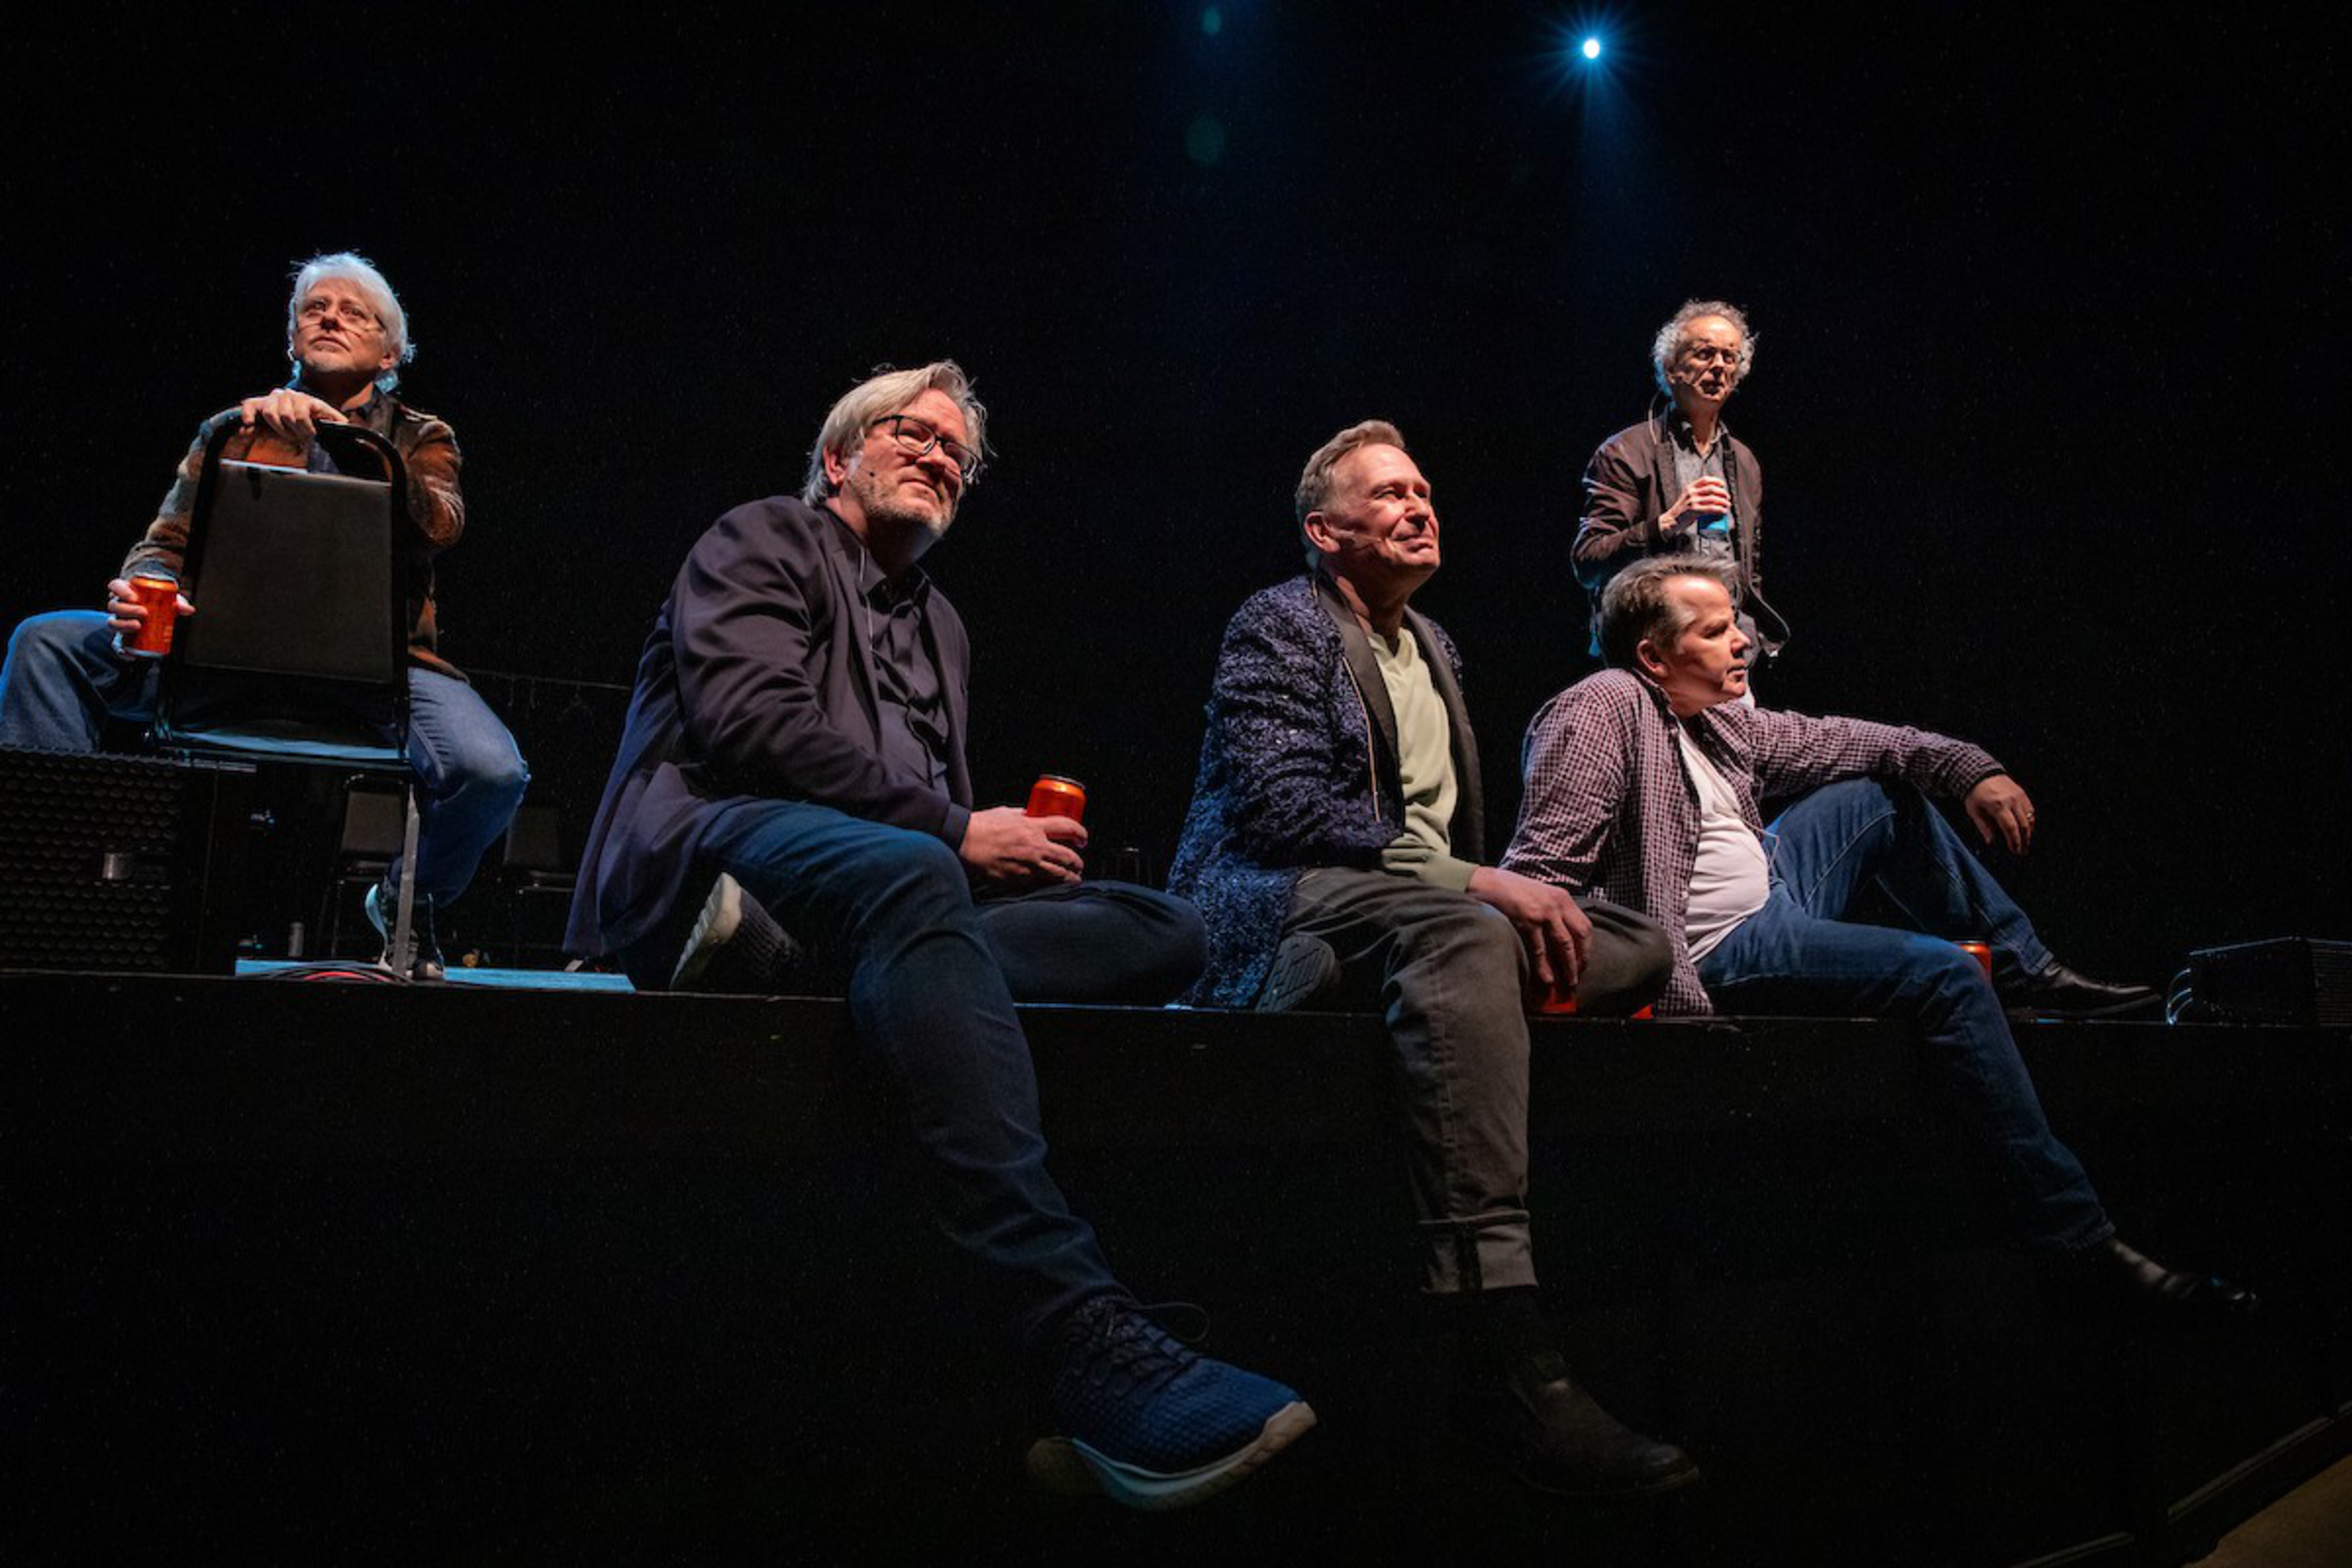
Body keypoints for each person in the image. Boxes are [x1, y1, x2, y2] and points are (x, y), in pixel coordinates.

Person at [563, 360, 1311, 1510]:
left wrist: (990, 850)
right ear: (838, 459)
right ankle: (1079, 1333)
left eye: (956, 452)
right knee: (915, 875)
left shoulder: (945, 627)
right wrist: (958, 832)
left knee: (1168, 929)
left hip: (876, 889)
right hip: (719, 843)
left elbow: (933, 820)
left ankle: (826, 972)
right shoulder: (763, 536)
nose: (939, 457)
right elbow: (749, 722)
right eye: (911, 433)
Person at [1502, 554, 2254, 1327]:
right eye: (1717, 630)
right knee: (1947, 977)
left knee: (1881, 796)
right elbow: (1539, 872)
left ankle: (2027, 969)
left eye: (1736, 626)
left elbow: (1856, 741)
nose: (1743, 642)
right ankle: (2078, 1244)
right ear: (1654, 657)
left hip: (1773, 890)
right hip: (1717, 946)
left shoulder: (1718, 723)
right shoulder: (1602, 706)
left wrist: (1968, 769)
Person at [1169, 420, 1692, 1499]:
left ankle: (1376, 982)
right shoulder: (1278, 621)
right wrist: (1476, 886)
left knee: (1633, 942)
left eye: (1423, 491)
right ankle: (1503, 1331)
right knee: (1471, 930)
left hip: (1404, 910)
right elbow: (1281, 810)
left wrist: (1489, 896)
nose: (1420, 506)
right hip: (1277, 889)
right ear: (1326, 532)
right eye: (1390, 494)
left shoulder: (1437, 645)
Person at [0, 252, 526, 979]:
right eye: (315, 308)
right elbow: (163, 545)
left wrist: (344, 440)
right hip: (222, 654)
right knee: (45, 644)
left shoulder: (420, 436)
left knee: (492, 771)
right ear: (292, 337)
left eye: (353, 312)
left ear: (390, 353)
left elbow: (440, 525)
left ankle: (408, 897)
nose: (330, 317)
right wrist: (147, 586)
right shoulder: (232, 429)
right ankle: (53, 885)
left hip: (376, 672)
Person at [1574, 299, 1791, 666]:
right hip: (1657, 651)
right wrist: (1665, 524)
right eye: (1705, 353)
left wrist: (1751, 637)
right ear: (1671, 368)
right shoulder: (1626, 452)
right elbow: (1589, 562)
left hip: (1728, 652)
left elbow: (1748, 569)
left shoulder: (1745, 462)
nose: (1719, 366)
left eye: (1730, 357)